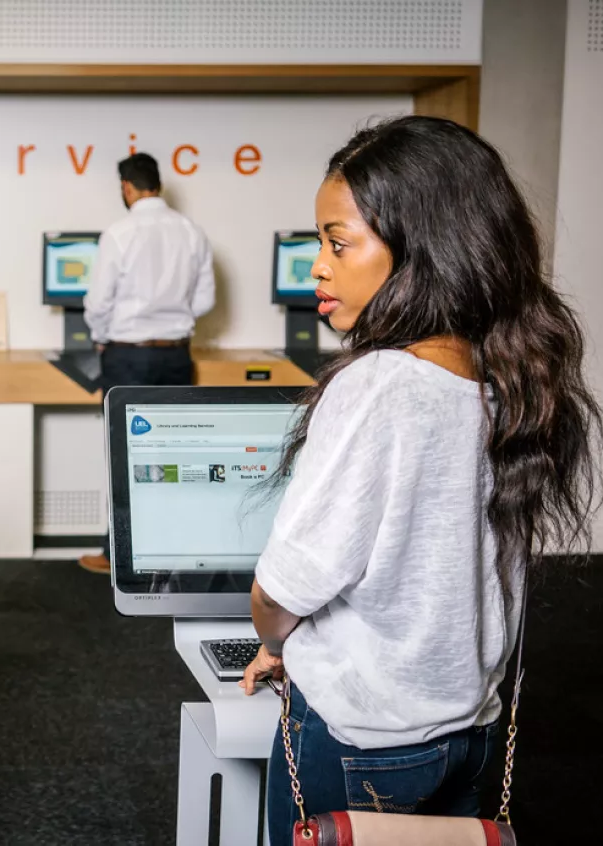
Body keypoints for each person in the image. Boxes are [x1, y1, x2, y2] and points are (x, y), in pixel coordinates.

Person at [237, 116, 600, 843]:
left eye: (338, 242)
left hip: (359, 740)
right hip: (469, 733)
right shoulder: (506, 378)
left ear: (419, 250)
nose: (318, 265)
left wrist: (273, 639)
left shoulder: (378, 386)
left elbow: (284, 588)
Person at [79, 152, 216, 573]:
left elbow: (98, 303)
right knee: (175, 452)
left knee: (123, 453)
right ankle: (171, 552)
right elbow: (206, 300)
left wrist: (102, 338)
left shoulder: (119, 233)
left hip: (127, 355)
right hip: (176, 354)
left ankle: (115, 554)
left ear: (127, 187)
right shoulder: (192, 232)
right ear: (157, 184)